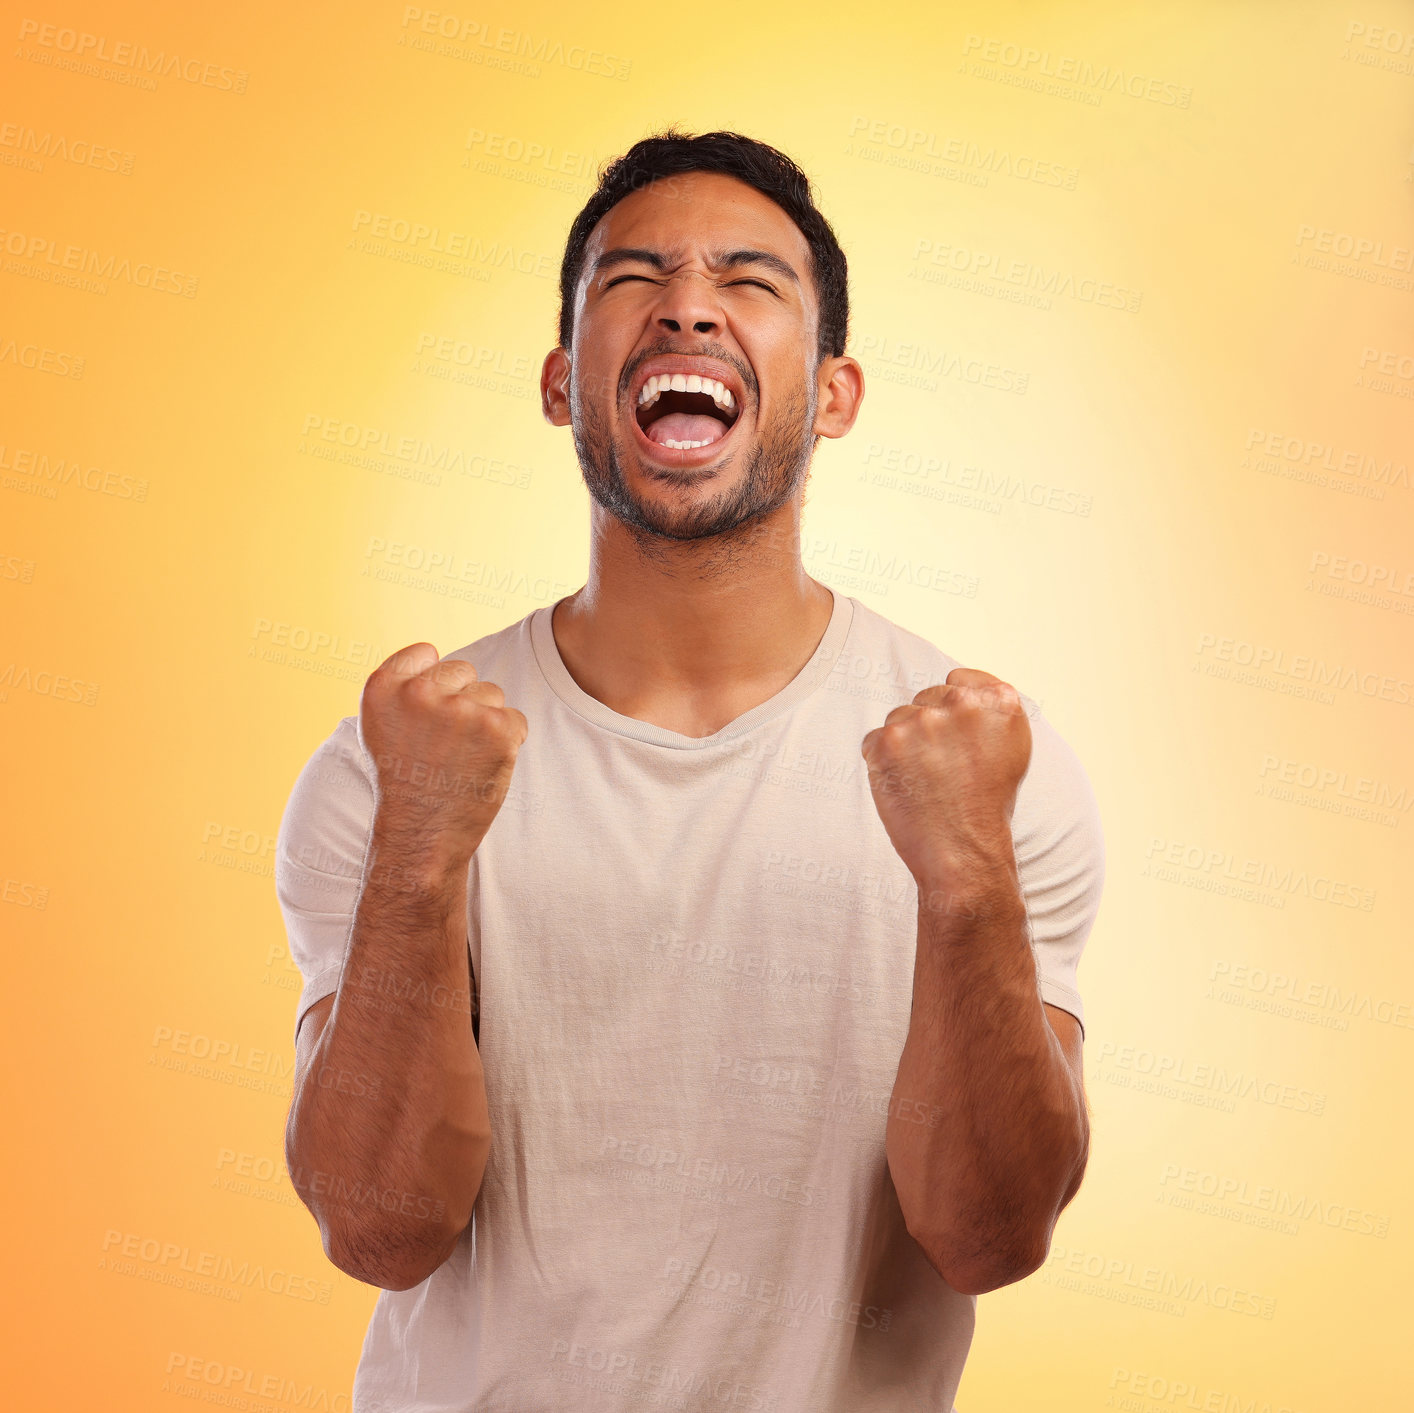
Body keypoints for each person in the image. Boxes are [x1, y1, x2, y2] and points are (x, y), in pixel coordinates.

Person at [276, 127, 1105, 1413]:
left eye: (750, 281)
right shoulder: (398, 763)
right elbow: (380, 1232)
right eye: (631, 280)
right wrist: (420, 855)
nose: (687, 307)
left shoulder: (985, 767)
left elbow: (991, 1239)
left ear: (832, 392)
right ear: (564, 383)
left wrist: (964, 885)